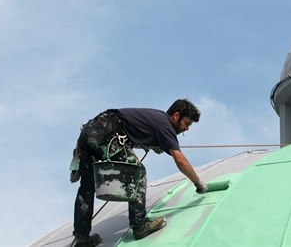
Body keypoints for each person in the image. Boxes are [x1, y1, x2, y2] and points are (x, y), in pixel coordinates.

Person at [70, 99, 207, 247]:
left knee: (87, 188)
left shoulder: (155, 119)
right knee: (137, 171)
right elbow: (180, 160)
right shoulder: (165, 125)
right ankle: (139, 224)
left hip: (89, 133)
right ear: (176, 116)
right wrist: (197, 182)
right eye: (186, 124)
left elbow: (139, 135)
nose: (186, 129)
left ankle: (82, 238)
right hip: (106, 133)